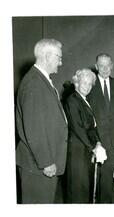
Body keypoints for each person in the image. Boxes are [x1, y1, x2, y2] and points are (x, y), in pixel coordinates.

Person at [15, 38, 68, 203]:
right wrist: (46, 161)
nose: (61, 62)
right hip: (39, 165)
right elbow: (34, 127)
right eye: (58, 57)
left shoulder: (40, 80)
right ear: (47, 56)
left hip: (41, 163)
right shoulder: (34, 83)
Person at [87, 53, 114, 203]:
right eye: (101, 66)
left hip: (112, 138)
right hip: (94, 138)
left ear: (112, 66)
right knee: (90, 176)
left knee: (107, 175)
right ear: (96, 67)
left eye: (107, 65)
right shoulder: (89, 84)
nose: (105, 69)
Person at [64, 69, 107, 203]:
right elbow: (78, 128)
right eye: (84, 83)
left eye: (90, 84)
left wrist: (98, 142)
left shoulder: (84, 100)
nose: (87, 86)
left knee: (85, 188)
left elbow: (92, 126)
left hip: (85, 150)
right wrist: (92, 147)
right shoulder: (72, 100)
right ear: (76, 83)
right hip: (78, 150)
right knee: (78, 190)